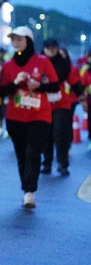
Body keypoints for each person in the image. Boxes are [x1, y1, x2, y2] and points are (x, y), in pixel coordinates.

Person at [0, 25, 59, 208]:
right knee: (22, 154)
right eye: (13, 39)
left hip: (39, 115)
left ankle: (30, 190)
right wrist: (15, 83)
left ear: (29, 41)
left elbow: (55, 86)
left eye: (19, 39)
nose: (16, 42)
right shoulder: (8, 65)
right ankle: (26, 188)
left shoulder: (42, 61)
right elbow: (2, 92)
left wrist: (38, 86)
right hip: (15, 116)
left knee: (33, 152)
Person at [40, 39, 83, 175]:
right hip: (43, 104)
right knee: (45, 135)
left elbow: (74, 82)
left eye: (54, 47)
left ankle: (62, 163)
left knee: (60, 133)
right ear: (44, 49)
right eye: (48, 48)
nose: (51, 50)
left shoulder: (64, 64)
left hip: (61, 103)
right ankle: (46, 163)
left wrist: (81, 96)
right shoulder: (38, 64)